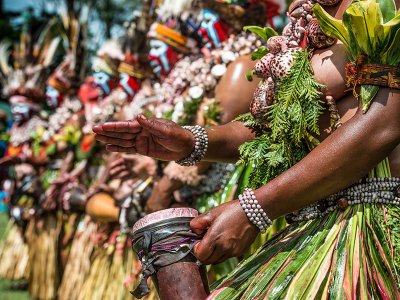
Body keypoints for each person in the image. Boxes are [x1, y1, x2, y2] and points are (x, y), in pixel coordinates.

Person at [94, 0, 400, 297]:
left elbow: (384, 123)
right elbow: (269, 130)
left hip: (374, 235)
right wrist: (191, 141)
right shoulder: (305, 21)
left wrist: (257, 208)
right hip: (309, 235)